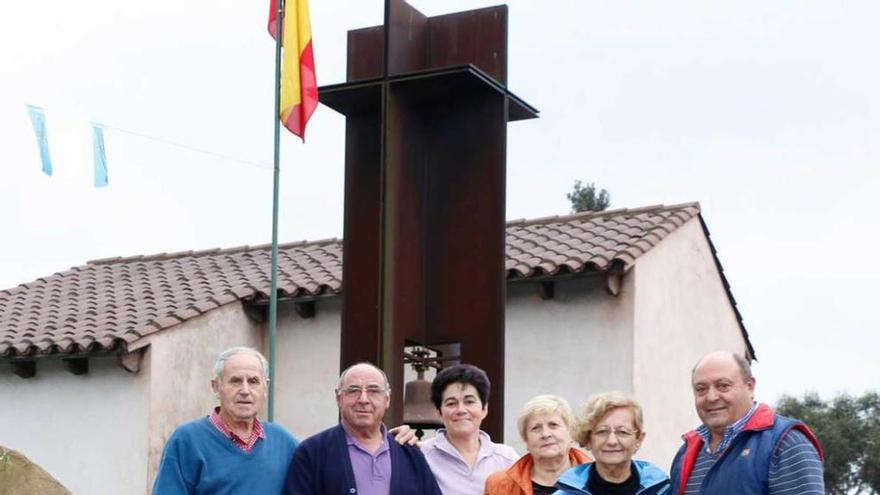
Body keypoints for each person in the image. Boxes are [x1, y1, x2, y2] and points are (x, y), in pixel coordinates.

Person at [669, 351, 825, 495]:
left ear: (750, 386)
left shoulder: (786, 443)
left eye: (723, 386)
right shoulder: (686, 452)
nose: (711, 397)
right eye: (701, 389)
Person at [152, 347, 299, 494]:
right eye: (235, 381)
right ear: (216, 387)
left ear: (265, 388)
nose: (245, 391)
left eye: (253, 381)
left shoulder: (284, 443)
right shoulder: (187, 440)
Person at [283, 362, 441, 495]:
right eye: (353, 391)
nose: (363, 399)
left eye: (373, 391)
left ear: (387, 399)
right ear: (339, 398)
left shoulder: (409, 453)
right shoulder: (312, 453)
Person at [420, 363, 518, 494]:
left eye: (469, 401)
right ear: (439, 412)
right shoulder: (421, 456)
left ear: (484, 409)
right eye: (451, 403)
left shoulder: (507, 459)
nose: (461, 410)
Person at [554, 392, 670, 495]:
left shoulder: (663, 491)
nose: (612, 441)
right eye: (602, 432)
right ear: (588, 439)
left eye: (622, 432)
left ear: (638, 439)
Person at [484, 395, 592, 495]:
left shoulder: (598, 480)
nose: (545, 434)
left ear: (571, 433)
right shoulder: (499, 486)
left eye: (553, 425)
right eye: (536, 428)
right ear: (525, 439)